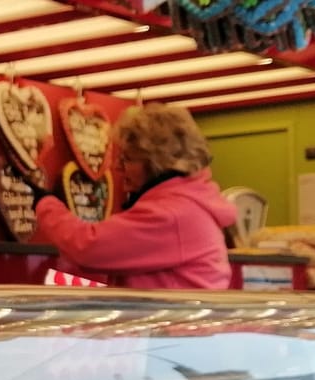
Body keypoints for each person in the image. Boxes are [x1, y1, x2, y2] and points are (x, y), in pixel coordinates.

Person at [33, 104, 236, 290]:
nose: (118, 168)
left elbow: (88, 247)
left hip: (168, 329)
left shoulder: (171, 214)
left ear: (158, 162)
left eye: (128, 159)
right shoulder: (189, 204)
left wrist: (45, 204)